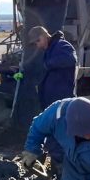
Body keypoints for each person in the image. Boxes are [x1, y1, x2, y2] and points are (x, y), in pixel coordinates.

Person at [28, 26, 79, 169]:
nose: (37, 46)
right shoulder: (50, 49)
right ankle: (56, 166)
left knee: (59, 136)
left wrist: (47, 64)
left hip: (61, 102)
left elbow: (71, 59)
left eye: (37, 42)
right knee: (52, 134)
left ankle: (61, 169)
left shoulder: (62, 46)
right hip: (52, 102)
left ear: (44, 36)